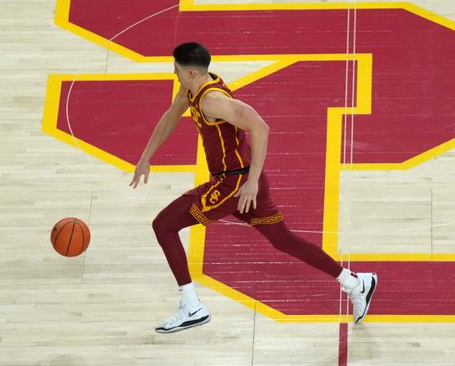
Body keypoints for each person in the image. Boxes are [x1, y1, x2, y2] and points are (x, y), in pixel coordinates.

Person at [130, 42, 377, 333]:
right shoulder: (190, 90)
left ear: (193, 73)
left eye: (177, 70)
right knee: (283, 240)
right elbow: (171, 116)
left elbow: (260, 127)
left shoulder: (212, 100)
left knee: (164, 225)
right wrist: (146, 156)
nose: (174, 72)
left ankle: (191, 304)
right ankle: (357, 283)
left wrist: (251, 182)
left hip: (233, 184)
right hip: (241, 181)